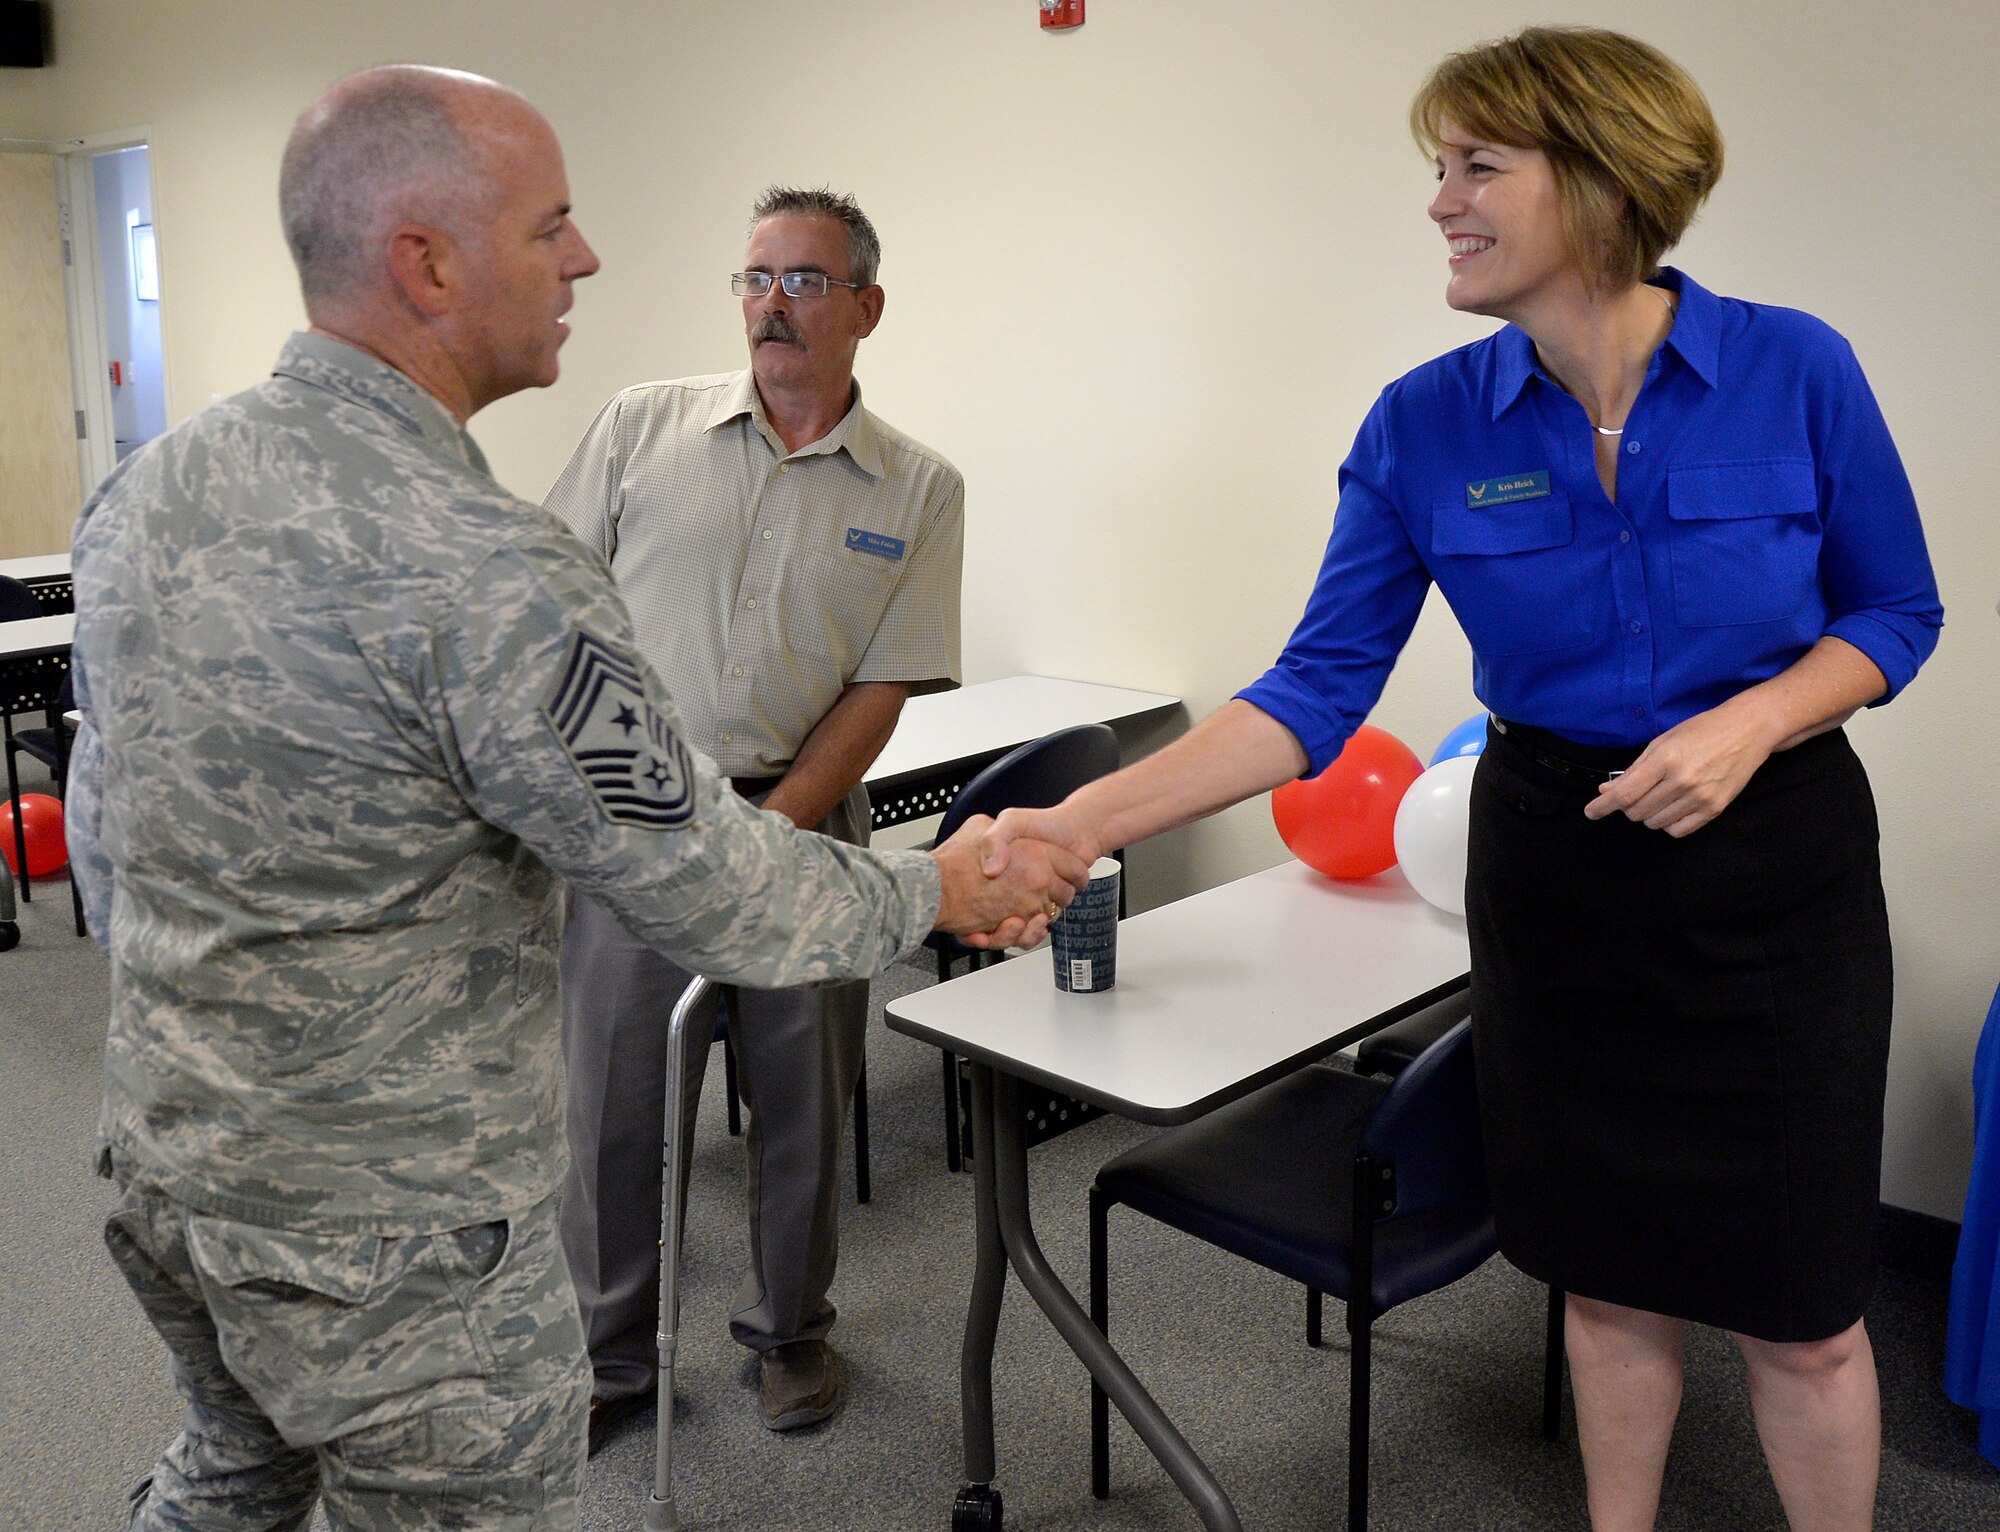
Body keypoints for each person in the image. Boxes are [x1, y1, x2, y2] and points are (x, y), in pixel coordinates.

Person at [63, 65, 1081, 1531]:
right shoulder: (484, 561)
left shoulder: (157, 487)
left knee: (232, 1476)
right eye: (553, 228)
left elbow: (100, 840)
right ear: (429, 263)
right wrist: (947, 887)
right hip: (389, 1233)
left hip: (174, 1164)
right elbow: (710, 883)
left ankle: (783, 1331)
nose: (589, 259)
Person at [980, 27, 1941, 1532]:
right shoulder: (1422, 423)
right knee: (1606, 1278)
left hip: (1781, 884)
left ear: (1605, 181)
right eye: (1441, 169)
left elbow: (1895, 614)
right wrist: (1075, 818)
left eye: (1480, 166)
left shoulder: (1795, 368)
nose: (1441, 201)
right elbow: (1309, 695)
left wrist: (1755, 721)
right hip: (1560, 875)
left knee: (1808, 1308)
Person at [545, 186, 961, 1443]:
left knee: (801, 1102)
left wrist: (767, 831)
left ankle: (789, 1333)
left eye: (803, 281)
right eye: (755, 277)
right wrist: (649, 811)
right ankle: (611, 1359)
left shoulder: (919, 484)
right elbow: (555, 612)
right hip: (636, 827)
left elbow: (883, 684)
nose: (770, 302)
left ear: (864, 308)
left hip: (802, 828)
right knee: (616, 1108)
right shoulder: (639, 427)